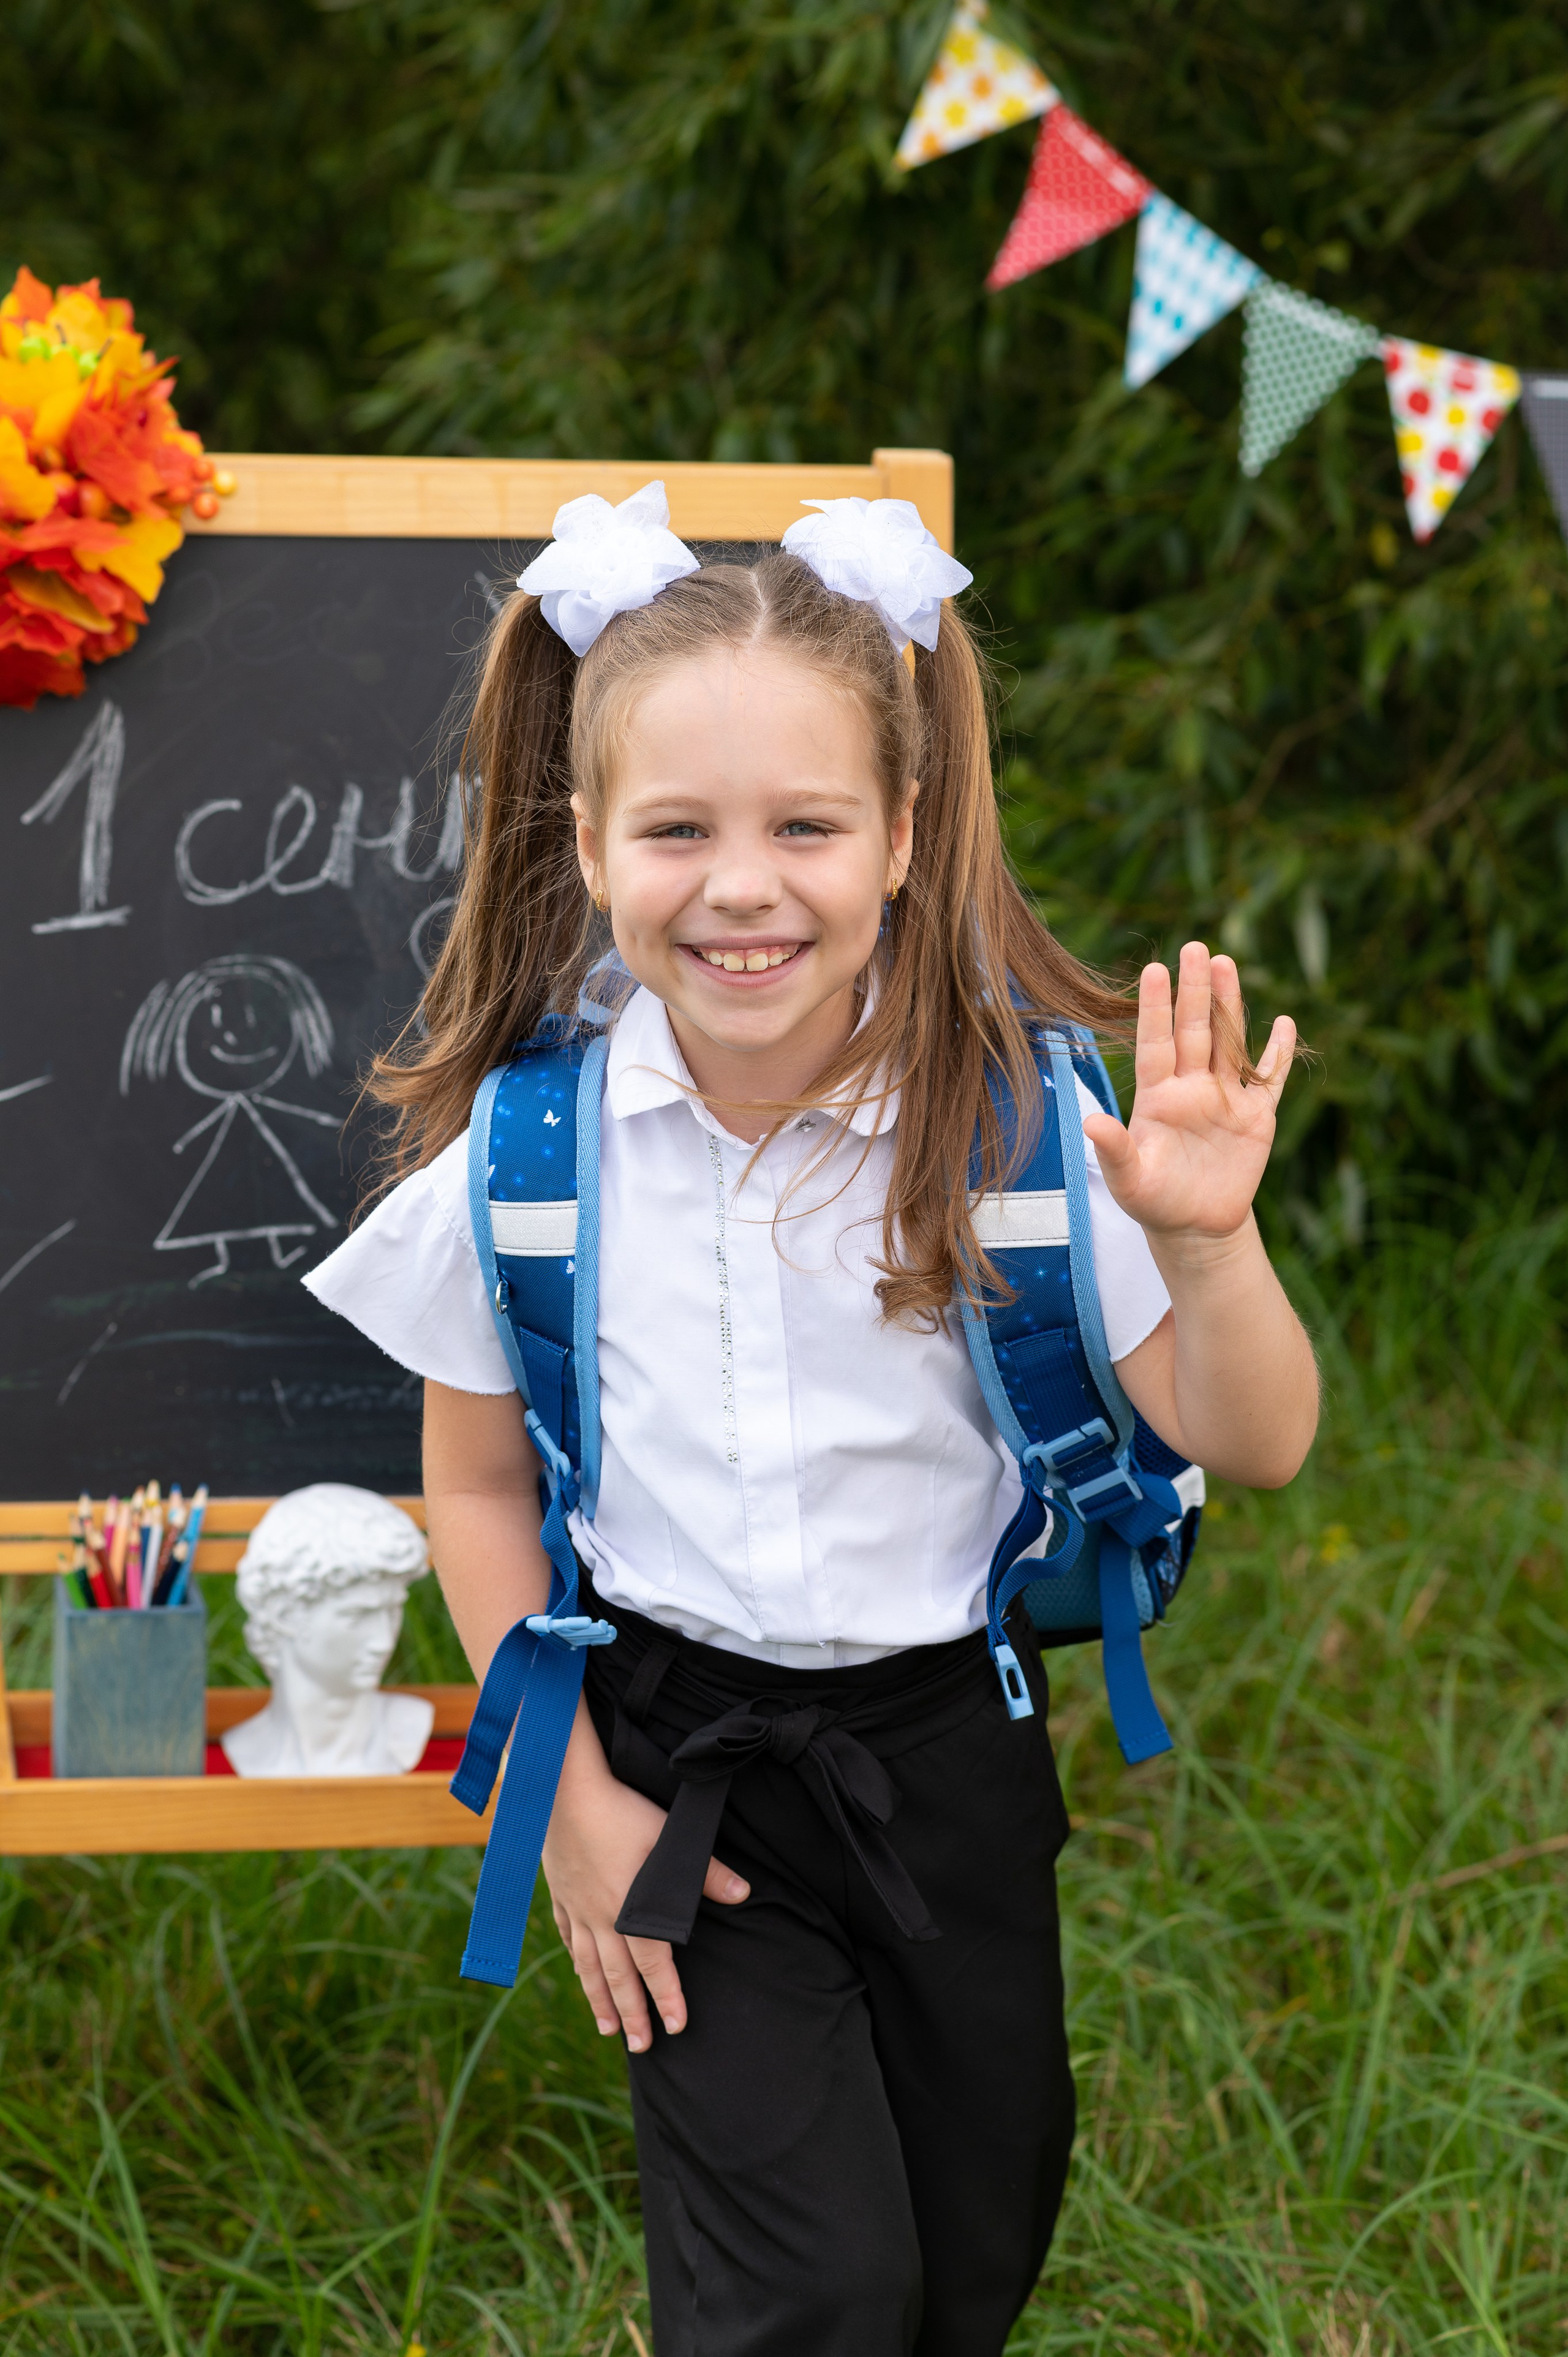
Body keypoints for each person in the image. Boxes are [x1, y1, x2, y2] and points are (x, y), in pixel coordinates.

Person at [303, 483, 1319, 2357]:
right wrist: (567, 1807)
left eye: (807, 826)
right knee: (809, 2298)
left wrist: (1212, 1241)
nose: (743, 884)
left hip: (950, 1759)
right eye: (678, 828)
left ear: (905, 837)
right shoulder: (529, 1158)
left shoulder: (1024, 1132)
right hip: (686, 1769)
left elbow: (1248, 1441)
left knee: (962, 2256)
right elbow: (469, 1487)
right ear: (592, 849)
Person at [224, 1483, 432, 1776]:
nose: (384, 1642)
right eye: (358, 1616)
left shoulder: (409, 1733)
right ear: (287, 1616)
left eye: (393, 1611)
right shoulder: (244, 1750)